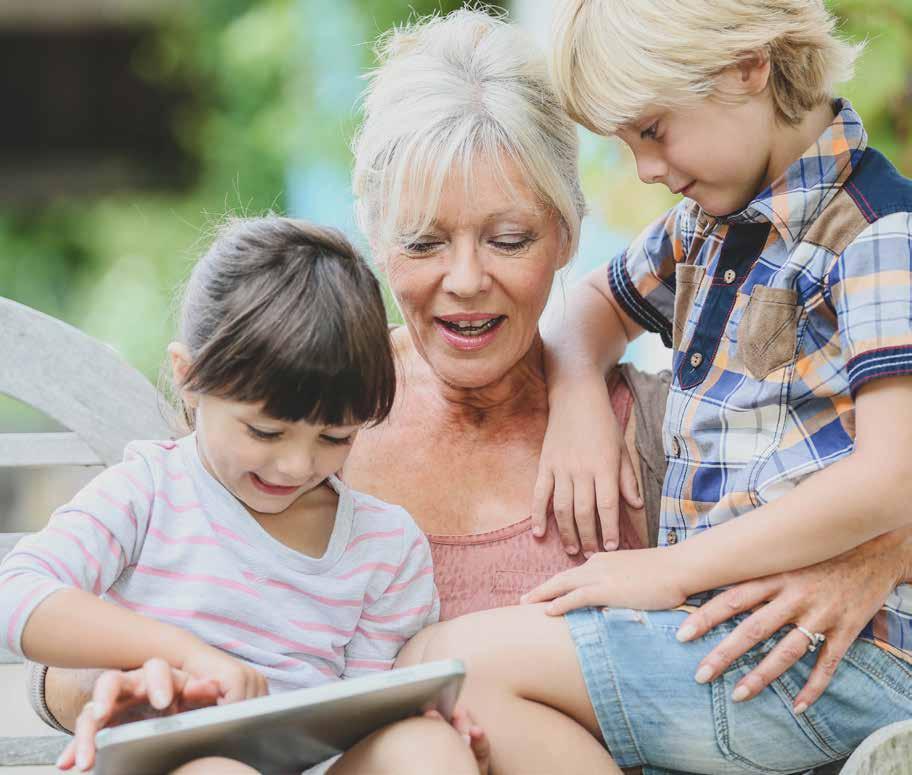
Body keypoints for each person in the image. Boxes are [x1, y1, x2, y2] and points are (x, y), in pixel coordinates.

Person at [34, 8, 912, 774]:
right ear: (373, 238)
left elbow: (863, 471)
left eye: (508, 237)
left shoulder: (652, 427)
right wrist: (105, 683)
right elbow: (96, 621)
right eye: (422, 243)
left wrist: (878, 555)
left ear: (567, 233)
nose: (465, 281)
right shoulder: (290, 420)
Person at [399, 1, 912, 774]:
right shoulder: (709, 225)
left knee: (450, 660)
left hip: (828, 654)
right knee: (467, 691)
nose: (644, 168)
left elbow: (893, 479)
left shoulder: (875, 235)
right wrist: (576, 396)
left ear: (748, 68)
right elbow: (596, 307)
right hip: (743, 637)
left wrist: (669, 571)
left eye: (653, 130)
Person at [0, 217, 488, 775]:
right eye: (265, 432)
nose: (297, 464)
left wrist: (421, 715)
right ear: (189, 378)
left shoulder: (385, 546)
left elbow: (361, 716)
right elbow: (16, 594)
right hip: (175, 765)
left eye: (335, 437)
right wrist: (180, 653)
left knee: (426, 748)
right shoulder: (151, 491)